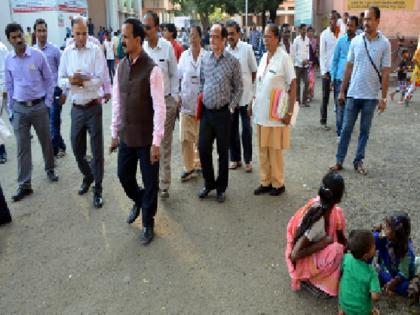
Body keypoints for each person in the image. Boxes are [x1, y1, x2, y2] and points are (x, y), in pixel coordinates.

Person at [110, 18, 165, 245]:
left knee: (151, 182)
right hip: (126, 135)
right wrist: (114, 133)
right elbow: (116, 102)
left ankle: (148, 222)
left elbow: (159, 107)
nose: (122, 40)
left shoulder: (152, 70)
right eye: (122, 36)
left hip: (146, 138)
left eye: (125, 36)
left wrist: (156, 142)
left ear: (137, 39)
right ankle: (139, 200)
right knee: (124, 176)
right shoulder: (121, 66)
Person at [330, 7, 391, 176]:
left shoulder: (384, 44)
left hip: (370, 97)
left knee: (364, 131)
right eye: (365, 19)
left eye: (370, 19)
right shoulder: (356, 41)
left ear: (378, 21)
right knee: (346, 129)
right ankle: (339, 160)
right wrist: (342, 91)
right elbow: (348, 67)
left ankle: (358, 161)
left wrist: (383, 97)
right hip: (353, 94)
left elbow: (386, 71)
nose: (366, 23)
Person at [5, 23, 58, 202]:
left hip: (38, 106)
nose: (18, 39)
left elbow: (49, 80)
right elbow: (9, 85)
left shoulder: (37, 55)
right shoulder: (8, 60)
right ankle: (24, 185)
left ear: (24, 35)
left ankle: (50, 169)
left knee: (46, 141)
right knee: (22, 148)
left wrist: (48, 103)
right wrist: (12, 110)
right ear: (9, 40)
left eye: (19, 35)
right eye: (14, 37)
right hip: (20, 109)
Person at [58, 16, 106, 208]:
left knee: (96, 151)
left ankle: (98, 189)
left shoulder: (95, 51)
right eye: (78, 33)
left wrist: (82, 81)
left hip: (93, 106)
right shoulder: (67, 53)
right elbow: (59, 79)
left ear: (88, 32)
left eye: (84, 33)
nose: (81, 37)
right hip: (76, 108)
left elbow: (100, 79)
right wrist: (70, 81)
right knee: (77, 148)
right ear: (72, 33)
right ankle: (88, 176)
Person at [197, 23, 243, 203]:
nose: (212, 39)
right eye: (211, 36)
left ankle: (221, 188)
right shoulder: (205, 59)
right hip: (207, 113)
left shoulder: (232, 62)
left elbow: (239, 88)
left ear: (224, 39)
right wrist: (203, 96)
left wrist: (231, 107)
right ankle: (209, 184)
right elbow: (202, 81)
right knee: (203, 148)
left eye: (216, 36)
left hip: (224, 113)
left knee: (223, 153)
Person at [250, 24, 296, 196]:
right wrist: (250, 104)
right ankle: (265, 181)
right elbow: (259, 83)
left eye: (269, 37)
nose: (266, 40)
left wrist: (289, 113)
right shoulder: (263, 57)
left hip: (276, 113)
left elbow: (293, 84)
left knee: (274, 150)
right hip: (260, 112)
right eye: (265, 37)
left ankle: (278, 183)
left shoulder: (284, 58)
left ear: (277, 38)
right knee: (262, 149)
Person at [285, 171, 347, 298]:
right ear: (339, 198)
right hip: (301, 259)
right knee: (338, 251)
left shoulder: (329, 209)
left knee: (339, 217)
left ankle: (320, 270)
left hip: (313, 245)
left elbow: (341, 237)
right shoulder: (317, 220)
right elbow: (294, 255)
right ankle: (310, 280)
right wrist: (322, 243)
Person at [143, 11, 179, 199]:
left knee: (164, 144)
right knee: (148, 143)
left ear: (157, 28)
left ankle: (164, 183)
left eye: (148, 27)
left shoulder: (167, 48)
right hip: (146, 105)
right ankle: (151, 181)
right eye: (143, 27)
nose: (145, 31)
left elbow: (174, 73)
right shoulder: (141, 48)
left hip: (165, 103)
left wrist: (174, 97)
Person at [226, 20, 257, 173]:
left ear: (239, 33)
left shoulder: (247, 49)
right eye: (228, 34)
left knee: (246, 129)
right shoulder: (225, 52)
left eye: (232, 33)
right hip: (231, 99)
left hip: (245, 98)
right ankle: (235, 158)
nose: (230, 36)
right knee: (231, 129)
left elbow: (254, 71)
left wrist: (249, 90)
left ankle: (248, 160)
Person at [33, 19, 67, 158]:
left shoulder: (55, 50)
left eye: (44, 30)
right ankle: (61, 145)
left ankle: (52, 152)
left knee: (53, 121)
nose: (42, 34)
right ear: (35, 33)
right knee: (47, 124)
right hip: (40, 95)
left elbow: (62, 72)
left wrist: (64, 91)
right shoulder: (32, 52)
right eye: (39, 31)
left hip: (55, 92)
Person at [177, 26, 206, 182]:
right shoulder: (183, 56)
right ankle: (188, 168)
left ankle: (200, 164)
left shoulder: (206, 56)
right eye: (190, 35)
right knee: (185, 139)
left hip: (203, 105)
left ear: (200, 37)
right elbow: (178, 77)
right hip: (186, 103)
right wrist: (178, 96)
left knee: (201, 139)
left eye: (195, 35)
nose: (192, 38)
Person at [373, 212, 416, 296]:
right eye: (385, 225)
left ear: (398, 233)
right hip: (387, 267)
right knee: (374, 237)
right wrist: (376, 230)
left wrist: (391, 284)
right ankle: (365, 268)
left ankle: (379, 277)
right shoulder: (387, 236)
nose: (385, 228)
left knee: (405, 287)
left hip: (398, 276)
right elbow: (373, 240)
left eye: (388, 227)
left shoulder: (406, 252)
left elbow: (402, 274)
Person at [339, 230, 380, 315]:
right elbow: (375, 296)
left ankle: (342, 311)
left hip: (344, 304)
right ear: (365, 255)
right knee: (372, 311)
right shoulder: (371, 272)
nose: (375, 246)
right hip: (361, 311)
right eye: (373, 246)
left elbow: (341, 272)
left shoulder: (347, 258)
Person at [331, 16, 358, 140]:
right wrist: (332, 77)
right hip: (339, 79)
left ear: (356, 27)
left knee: (351, 108)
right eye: (347, 25)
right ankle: (340, 133)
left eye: (351, 25)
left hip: (354, 81)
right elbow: (335, 60)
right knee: (340, 108)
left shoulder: (359, 42)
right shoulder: (341, 41)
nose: (349, 28)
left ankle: (346, 130)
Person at [319, 12, 339, 130]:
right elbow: (322, 54)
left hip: (337, 71)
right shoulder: (324, 35)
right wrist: (323, 71)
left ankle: (339, 122)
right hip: (327, 71)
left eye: (335, 19)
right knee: (325, 97)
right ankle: (323, 121)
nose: (333, 21)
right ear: (329, 20)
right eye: (331, 19)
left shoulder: (340, 34)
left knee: (338, 97)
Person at [292, 24, 310, 107]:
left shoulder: (307, 39)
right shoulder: (296, 40)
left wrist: (307, 60)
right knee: (297, 84)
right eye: (303, 30)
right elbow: (294, 54)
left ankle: (304, 100)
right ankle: (297, 100)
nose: (304, 31)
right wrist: (300, 61)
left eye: (305, 30)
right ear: (299, 30)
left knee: (307, 82)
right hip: (298, 65)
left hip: (305, 66)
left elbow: (308, 52)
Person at [0, 40, 8, 164]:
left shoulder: (1, 48)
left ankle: (1, 151)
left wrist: (3, 89)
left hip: (2, 88)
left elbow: (4, 70)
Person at [307, 26, 318, 102]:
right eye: (309, 31)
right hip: (306, 63)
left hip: (312, 63)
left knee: (312, 80)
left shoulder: (315, 41)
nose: (310, 33)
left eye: (312, 31)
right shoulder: (305, 41)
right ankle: (308, 94)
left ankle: (310, 94)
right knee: (307, 80)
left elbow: (316, 52)